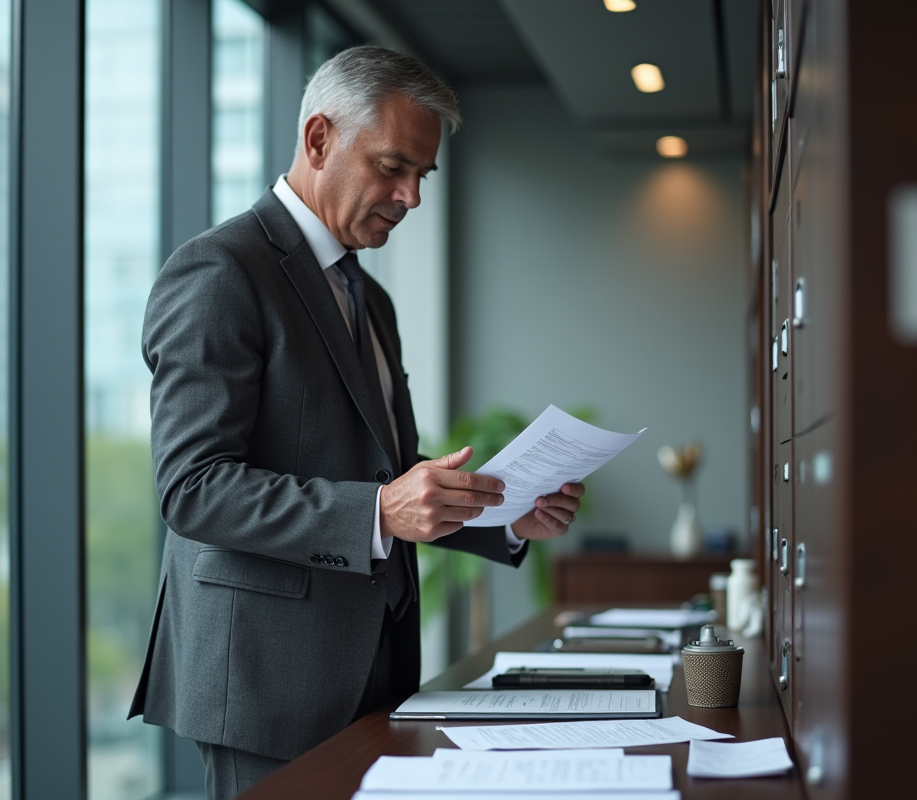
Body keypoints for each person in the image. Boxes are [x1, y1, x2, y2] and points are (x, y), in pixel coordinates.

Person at [128, 45, 584, 799]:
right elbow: (194, 489)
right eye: (392, 167)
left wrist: (502, 514)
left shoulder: (371, 300)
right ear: (318, 140)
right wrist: (378, 509)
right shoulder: (219, 272)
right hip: (269, 684)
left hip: (374, 665)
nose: (409, 196)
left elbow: (384, 473)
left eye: (421, 176)